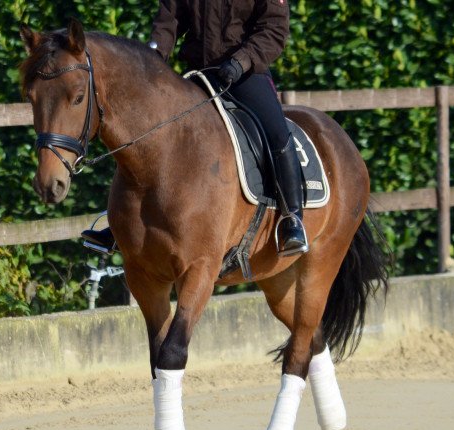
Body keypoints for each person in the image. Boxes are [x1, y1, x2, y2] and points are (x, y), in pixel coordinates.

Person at [82, 0, 308, 256]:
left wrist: (242, 60)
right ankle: (121, 223)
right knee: (144, 129)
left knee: (276, 132)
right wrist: (152, 60)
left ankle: (292, 219)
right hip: (197, 72)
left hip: (244, 73)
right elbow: (169, 21)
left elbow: (274, 29)